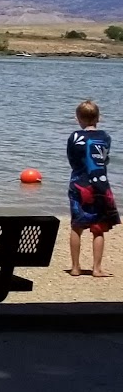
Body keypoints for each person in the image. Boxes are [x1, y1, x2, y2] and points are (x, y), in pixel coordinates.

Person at [68, 99, 115, 277]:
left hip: (79, 183)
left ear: (77, 118)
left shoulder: (74, 137)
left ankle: (75, 267)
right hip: (100, 184)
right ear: (98, 118)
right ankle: (96, 268)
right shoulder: (105, 137)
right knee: (99, 228)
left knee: (76, 226)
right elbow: (104, 159)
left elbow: (72, 160)